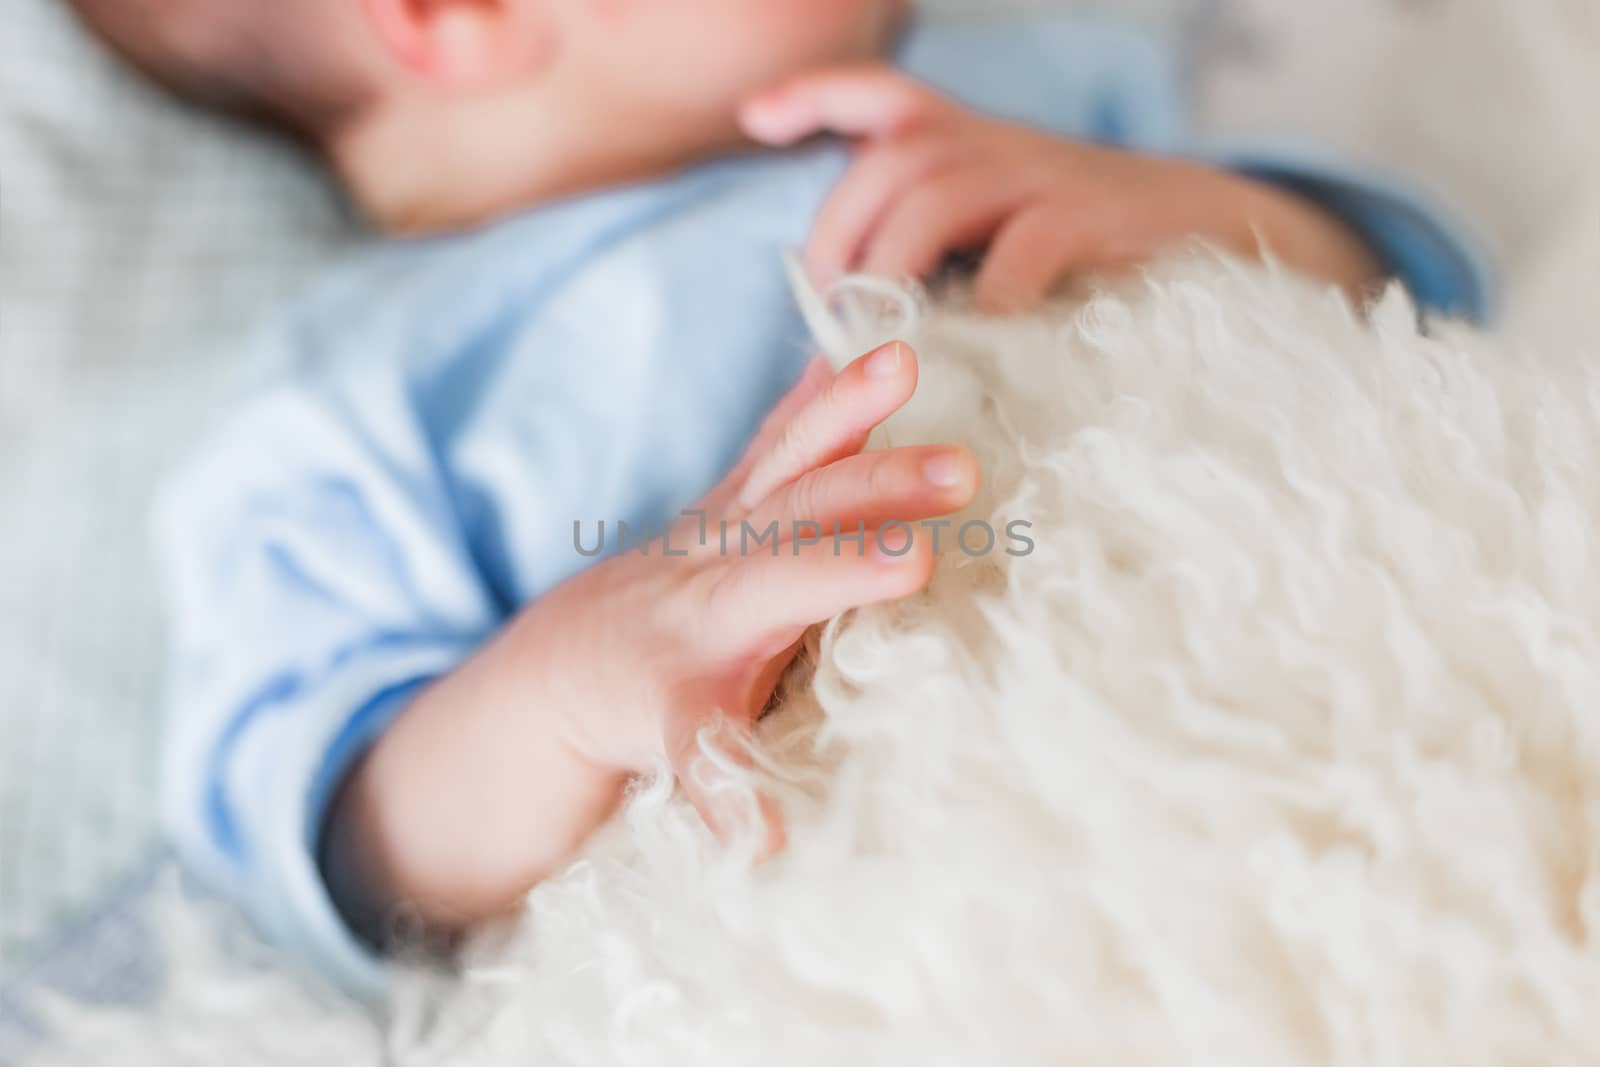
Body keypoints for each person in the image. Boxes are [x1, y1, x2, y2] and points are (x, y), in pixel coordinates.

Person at [67, 0, 1492, 996]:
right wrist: (558, 682)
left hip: (1274, 681)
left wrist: (1181, 211)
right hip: (871, 889)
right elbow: (328, 829)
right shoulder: (345, 398)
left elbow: (1410, 295)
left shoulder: (1006, 94)